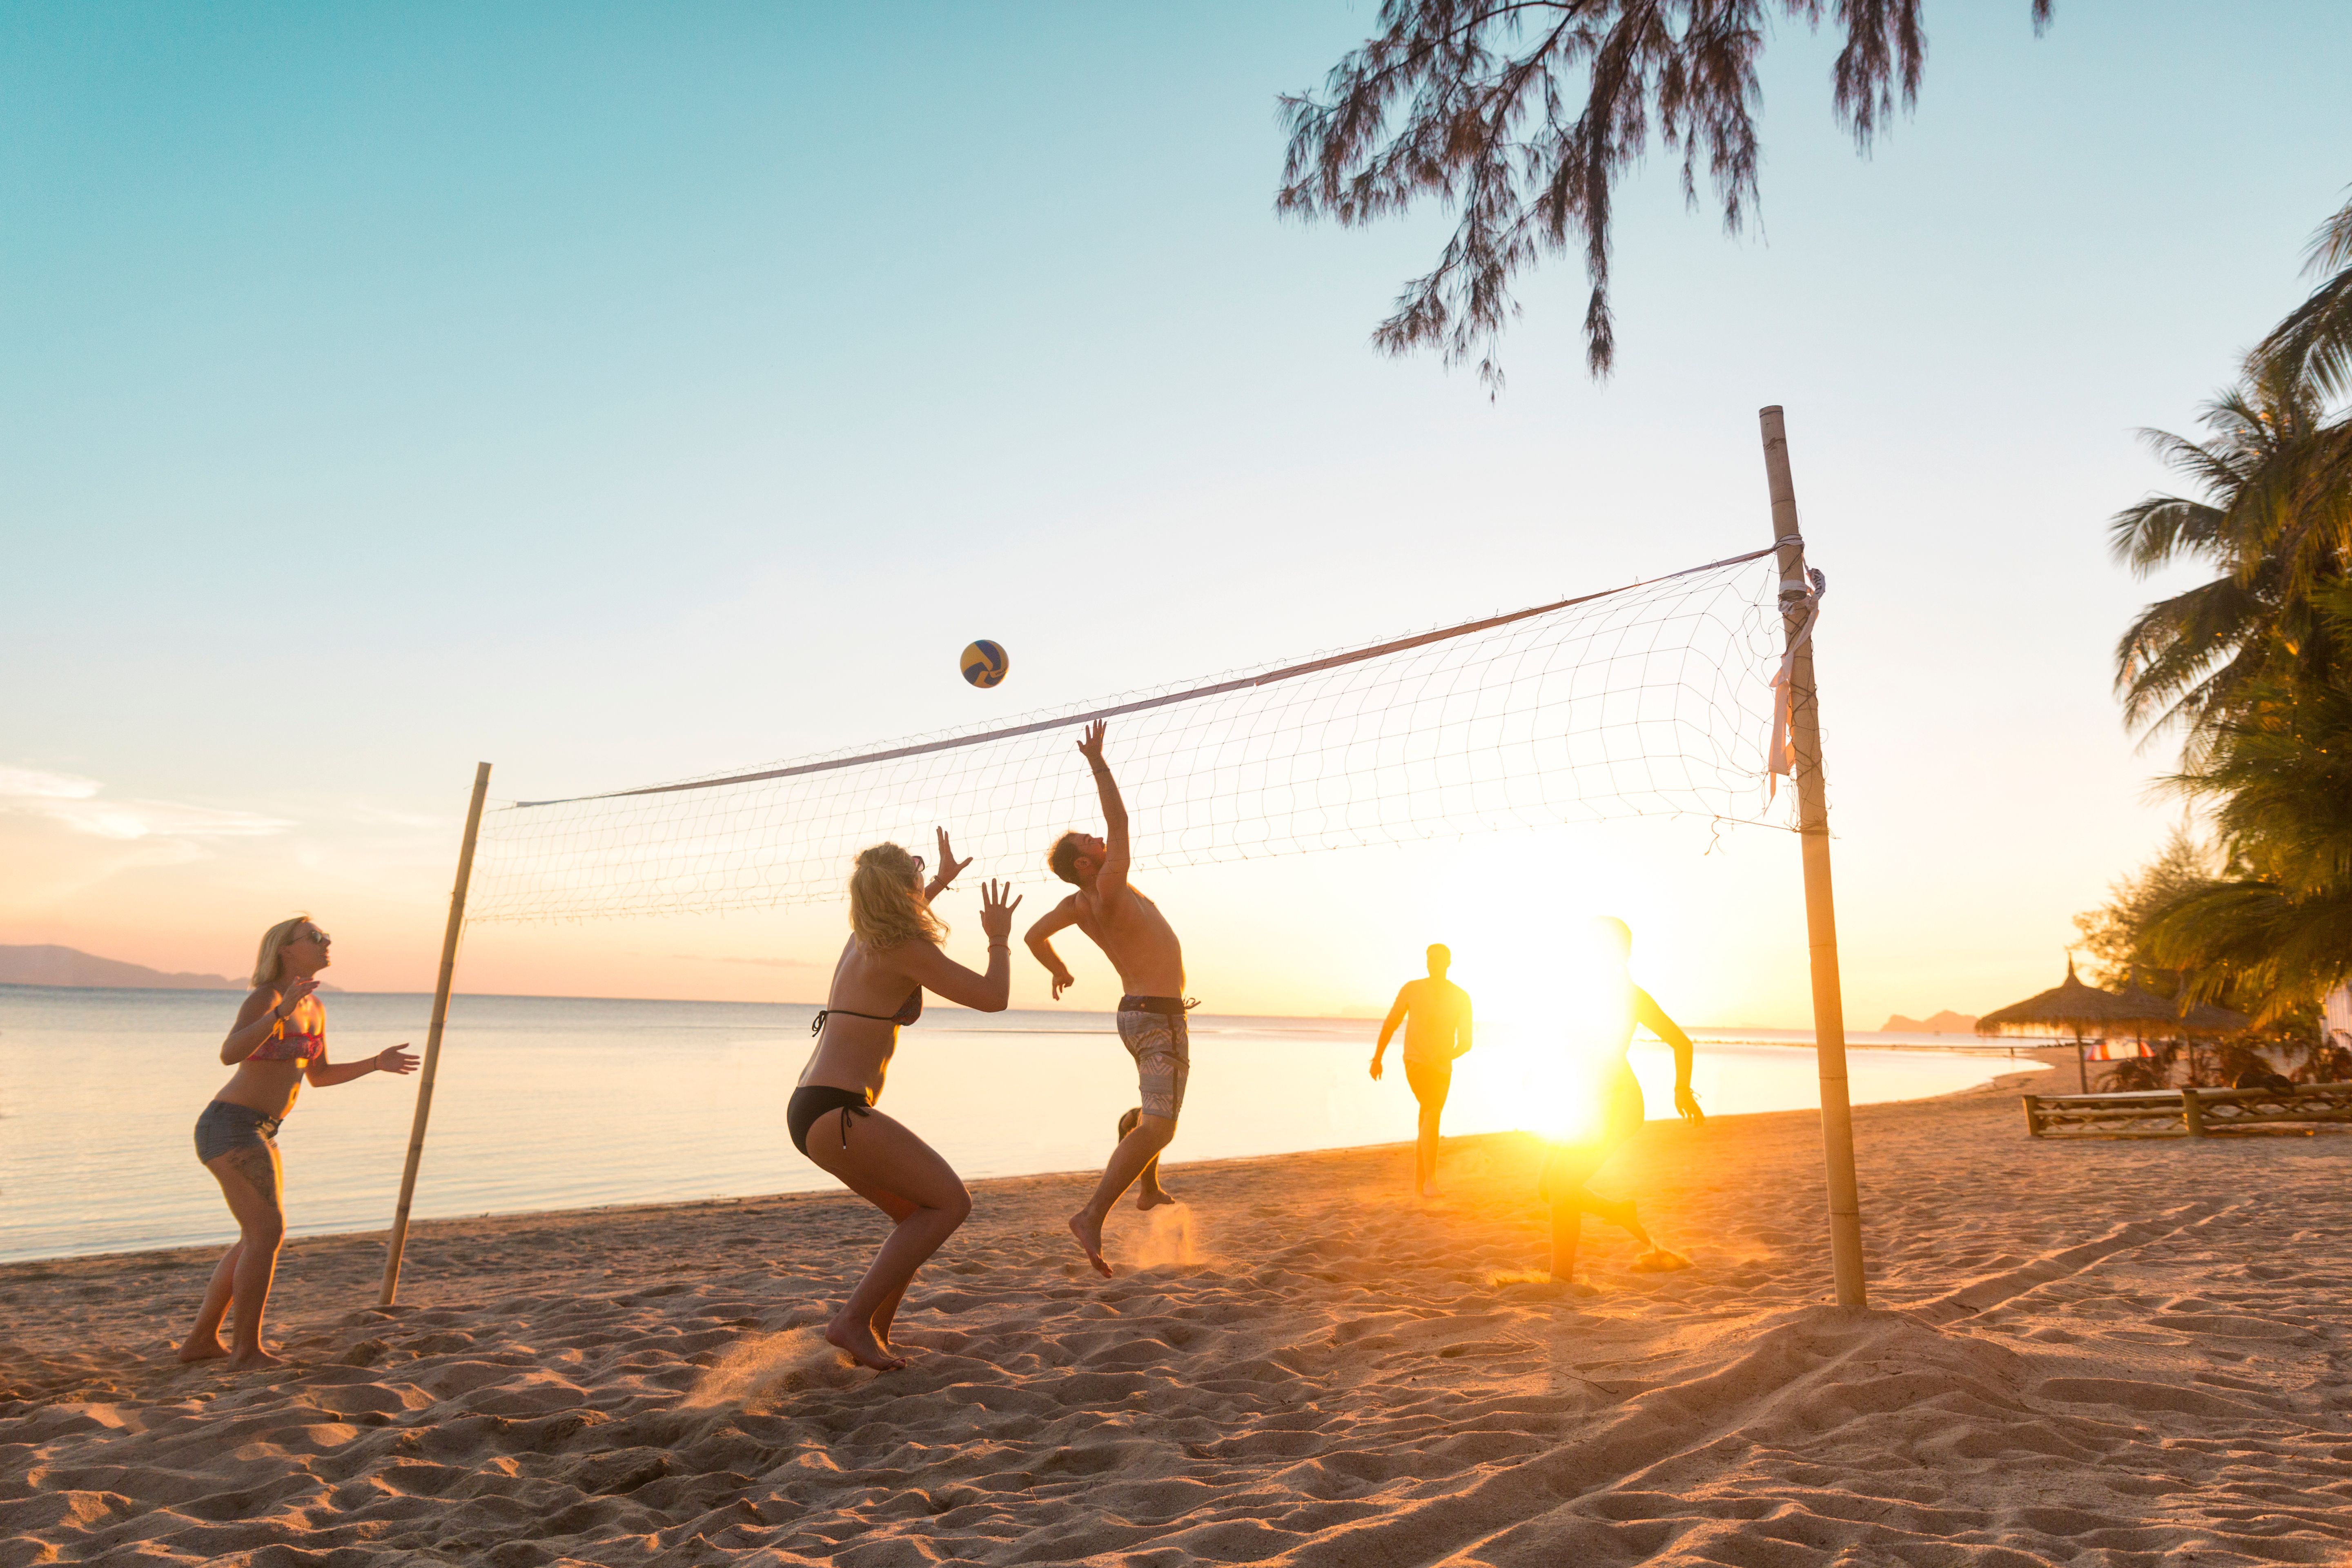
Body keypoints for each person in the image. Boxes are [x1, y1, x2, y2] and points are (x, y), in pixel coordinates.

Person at [791, 829, 1019, 1371]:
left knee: (918, 1214)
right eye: (914, 870)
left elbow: (904, 907)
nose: (921, 876)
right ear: (900, 887)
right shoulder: (902, 949)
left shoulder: (863, 940)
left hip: (813, 1109)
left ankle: (873, 1333)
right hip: (839, 1112)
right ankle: (851, 1321)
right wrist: (999, 938)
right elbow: (993, 999)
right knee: (951, 1203)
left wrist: (939, 879)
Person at [182, 917, 419, 1368]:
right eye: (315, 938)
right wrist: (279, 1013)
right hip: (230, 1125)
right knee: (266, 1233)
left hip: (264, 1128)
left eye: (326, 936)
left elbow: (321, 1076)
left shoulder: (316, 1007)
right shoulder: (267, 998)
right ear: (287, 950)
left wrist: (376, 1063)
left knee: (257, 1235)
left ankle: (201, 1342)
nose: (326, 942)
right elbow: (229, 1054)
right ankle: (246, 1351)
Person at [1025, 719, 1189, 1277]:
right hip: (1156, 1018)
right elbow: (1120, 820)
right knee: (1162, 1125)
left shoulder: (1077, 905)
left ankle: (1147, 1188)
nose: (1101, 839)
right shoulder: (1108, 889)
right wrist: (1098, 762)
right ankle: (1092, 1215)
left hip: (1138, 1015)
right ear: (1085, 866)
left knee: (1152, 1115)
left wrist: (1059, 969)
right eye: (1089, 844)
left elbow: (1032, 936)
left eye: (1096, 839)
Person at [1540, 917, 1702, 1292]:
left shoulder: (1633, 997)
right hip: (1585, 1101)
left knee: (1563, 1184)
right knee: (1549, 1187)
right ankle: (1618, 1212)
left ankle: (1560, 1281)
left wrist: (1682, 1090)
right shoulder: (1579, 991)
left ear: (1622, 952)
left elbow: (1682, 1043)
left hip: (1619, 1104)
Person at [1370, 944, 1473, 1198]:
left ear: (1449, 962)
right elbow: (1391, 1023)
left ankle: (1418, 1188)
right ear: (1426, 962)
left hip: (1443, 1066)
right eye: (1430, 959)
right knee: (1433, 1110)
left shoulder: (1461, 997)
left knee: (1427, 1119)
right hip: (1416, 1062)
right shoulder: (1412, 989)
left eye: (1439, 959)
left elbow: (1466, 1042)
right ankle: (1431, 1182)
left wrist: (1447, 1054)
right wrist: (1377, 1058)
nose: (1433, 963)